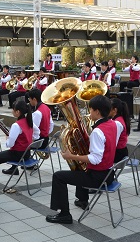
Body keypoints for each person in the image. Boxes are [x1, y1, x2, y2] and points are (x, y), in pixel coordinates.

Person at [46, 95, 121, 224]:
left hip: (98, 177)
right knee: (80, 168)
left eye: (90, 110)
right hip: (109, 174)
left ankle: (64, 215)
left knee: (58, 176)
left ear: (97, 112)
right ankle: (82, 200)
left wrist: (71, 156)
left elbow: (95, 159)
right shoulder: (114, 124)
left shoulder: (98, 131)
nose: (89, 113)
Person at [0, 100, 40, 175]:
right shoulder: (28, 121)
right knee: (0, 156)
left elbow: (10, 144)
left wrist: (8, 138)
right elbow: (37, 132)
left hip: (18, 155)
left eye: (13, 109)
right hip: (27, 154)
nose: (12, 111)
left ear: (18, 112)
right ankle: (13, 169)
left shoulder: (16, 125)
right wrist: (30, 139)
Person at [110, 98, 130, 162]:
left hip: (119, 154)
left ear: (114, 110)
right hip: (120, 151)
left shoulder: (117, 123)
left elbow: (113, 143)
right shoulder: (120, 118)